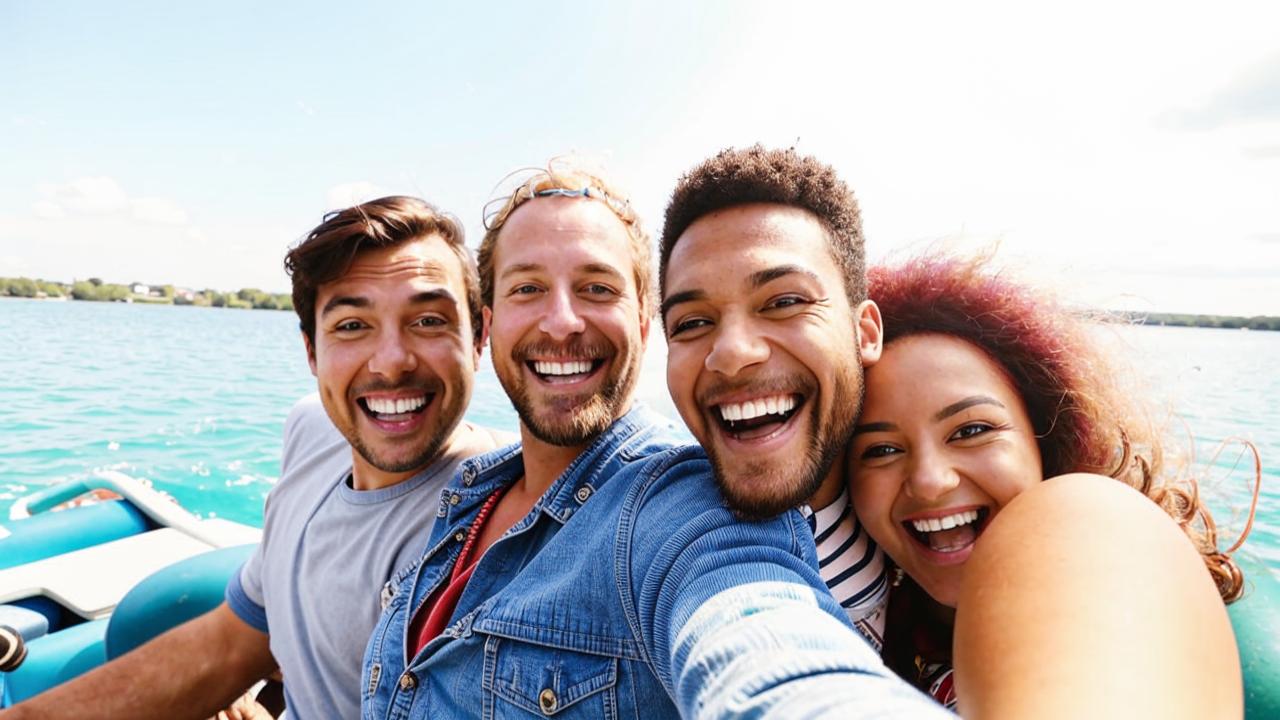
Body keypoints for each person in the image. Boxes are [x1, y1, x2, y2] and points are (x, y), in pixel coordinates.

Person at [360, 159, 948, 719]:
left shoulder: (676, 507)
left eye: (597, 288)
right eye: (527, 288)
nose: (562, 320)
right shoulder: (471, 486)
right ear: (489, 326)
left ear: (644, 325)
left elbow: (761, 636)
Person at [2, 196, 509, 720]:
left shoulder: (507, 520)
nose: (391, 362)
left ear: (479, 338)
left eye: (428, 320)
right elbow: (235, 639)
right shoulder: (314, 429)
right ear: (311, 351)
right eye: (352, 326)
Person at [846, 251, 1247, 716]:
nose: (931, 481)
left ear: (1044, 437)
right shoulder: (880, 620)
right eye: (880, 451)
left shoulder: (1092, 520)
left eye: (972, 431)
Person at [658, 145, 890, 648]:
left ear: (864, 332)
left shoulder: (902, 496)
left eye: (785, 302)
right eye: (693, 323)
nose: (733, 353)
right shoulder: (666, 530)